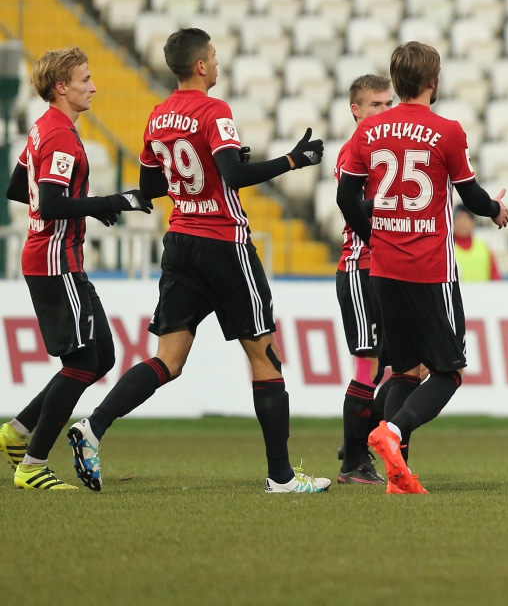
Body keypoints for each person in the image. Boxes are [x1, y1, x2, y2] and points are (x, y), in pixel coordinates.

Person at [66, 28, 330, 494]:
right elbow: (234, 176)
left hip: (181, 242)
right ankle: (281, 477)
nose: (218, 61)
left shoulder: (158, 116)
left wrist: (208, 167)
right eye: (214, 54)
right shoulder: (214, 110)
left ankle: (94, 426)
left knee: (168, 359)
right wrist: (292, 160)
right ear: (201, 65)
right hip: (224, 243)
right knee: (264, 355)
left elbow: (152, 187)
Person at [338, 41, 508, 495]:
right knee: (448, 372)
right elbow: (471, 197)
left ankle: (398, 474)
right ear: (433, 82)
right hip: (431, 271)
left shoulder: (368, 130)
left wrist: (376, 238)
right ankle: (392, 432)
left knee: (404, 372)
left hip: (383, 270)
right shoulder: (447, 131)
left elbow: (345, 199)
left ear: (396, 82)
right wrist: (495, 209)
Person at [0, 47, 151, 490]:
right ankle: (32, 465)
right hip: (55, 262)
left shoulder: (44, 127)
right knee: (84, 362)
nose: (93, 87)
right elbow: (48, 204)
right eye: (85, 79)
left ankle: (17, 432)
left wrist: (86, 208)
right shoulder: (60, 135)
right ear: (62, 87)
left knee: (101, 356)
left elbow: (18, 187)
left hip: (60, 259)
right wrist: (109, 202)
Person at [333, 74, 422, 485]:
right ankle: (353, 462)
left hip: (392, 268)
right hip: (360, 266)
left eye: (389, 104)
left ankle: (361, 436)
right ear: (356, 111)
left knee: (413, 367)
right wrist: (390, 199)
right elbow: (352, 204)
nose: (385, 111)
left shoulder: (391, 146)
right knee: (367, 364)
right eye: (376, 105)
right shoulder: (353, 149)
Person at [453, 205, 502, 281]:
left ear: (473, 222)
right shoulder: (447, 248)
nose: (462, 223)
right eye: (459, 219)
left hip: (483, 289)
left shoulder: (483, 247)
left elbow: (495, 276)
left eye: (466, 219)